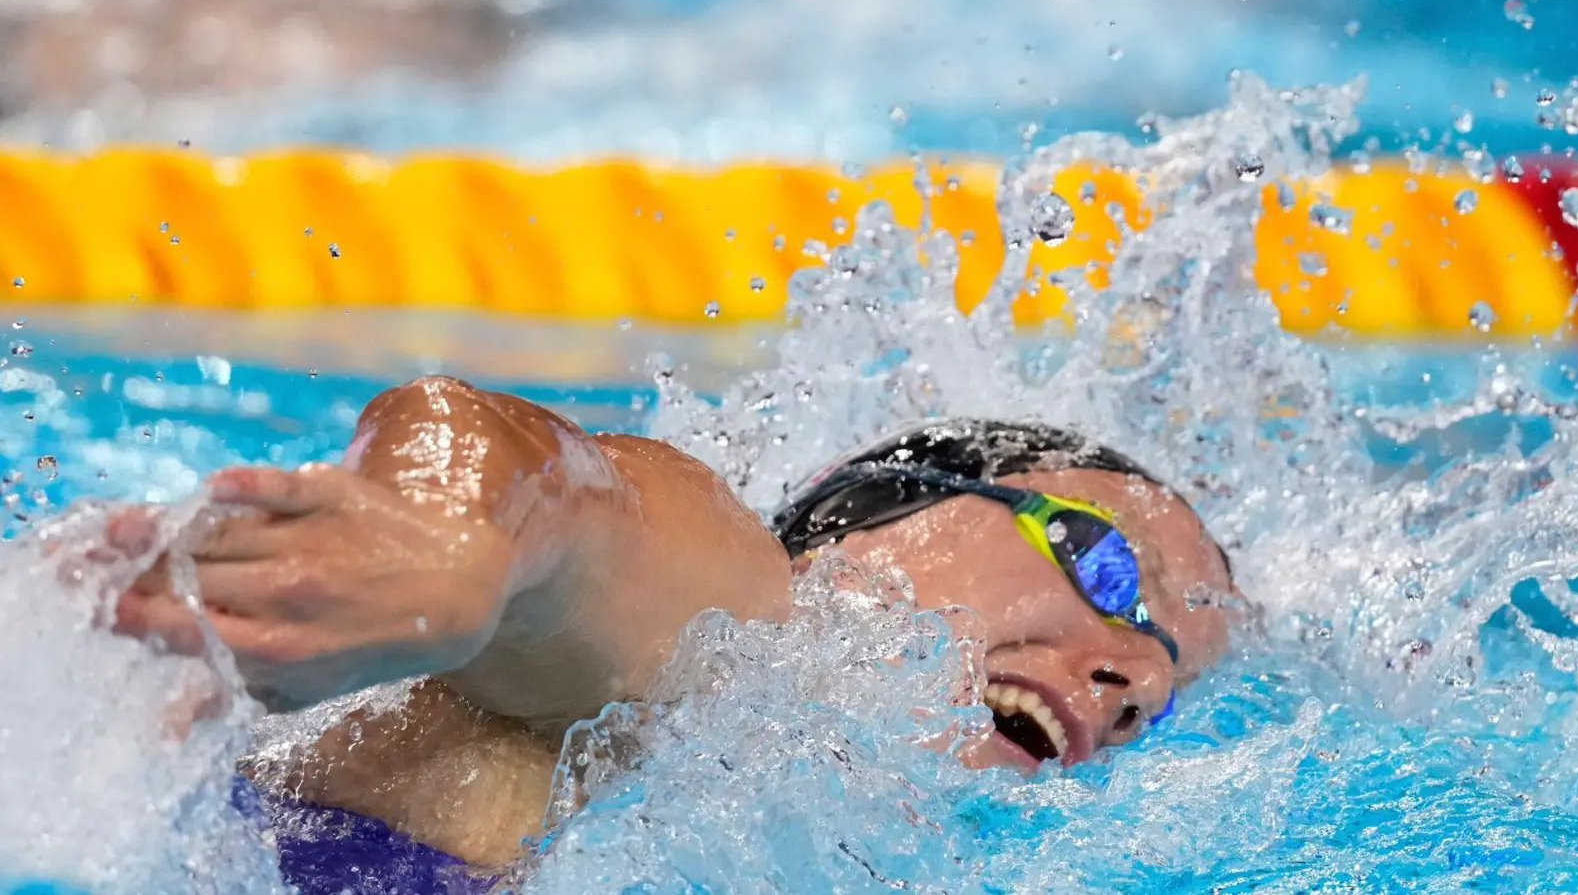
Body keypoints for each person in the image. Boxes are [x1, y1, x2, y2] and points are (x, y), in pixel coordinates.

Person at [103, 376, 1236, 892]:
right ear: (876, 509)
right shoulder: (744, 628)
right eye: (1106, 566)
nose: (1131, 670)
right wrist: (427, 549)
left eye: (1165, 683)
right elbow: (527, 468)